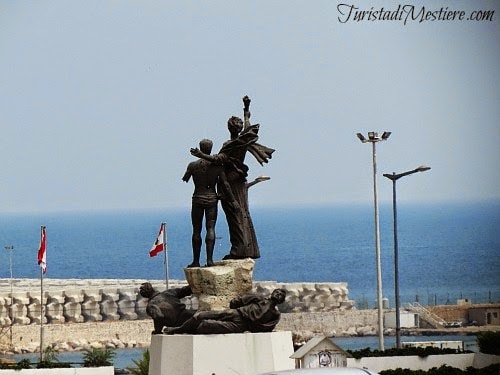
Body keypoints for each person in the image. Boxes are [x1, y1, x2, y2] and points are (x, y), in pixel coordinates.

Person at [190, 96, 274, 260]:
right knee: (243, 213)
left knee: (234, 216)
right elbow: (248, 126)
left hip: (229, 182)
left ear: (229, 128)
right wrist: (246, 110)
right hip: (240, 181)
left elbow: (218, 159)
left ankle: (238, 250)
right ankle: (248, 249)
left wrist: (200, 154)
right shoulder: (243, 140)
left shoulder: (230, 145)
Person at [182, 139, 237, 267]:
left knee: (196, 230)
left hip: (197, 198)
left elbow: (185, 178)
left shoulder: (192, 165)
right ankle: (209, 260)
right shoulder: (218, 167)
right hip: (212, 198)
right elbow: (226, 185)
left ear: (200, 148)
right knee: (210, 228)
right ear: (211, 149)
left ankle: (196, 261)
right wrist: (233, 201)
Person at [164, 288, 286, 335]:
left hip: (240, 326)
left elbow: (266, 328)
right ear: (272, 293)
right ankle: (177, 329)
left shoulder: (275, 315)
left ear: (281, 301)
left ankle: (186, 330)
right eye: (278, 292)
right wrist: (233, 308)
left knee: (205, 326)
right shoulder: (259, 298)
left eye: (281, 295)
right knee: (200, 316)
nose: (278, 294)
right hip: (236, 313)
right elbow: (238, 300)